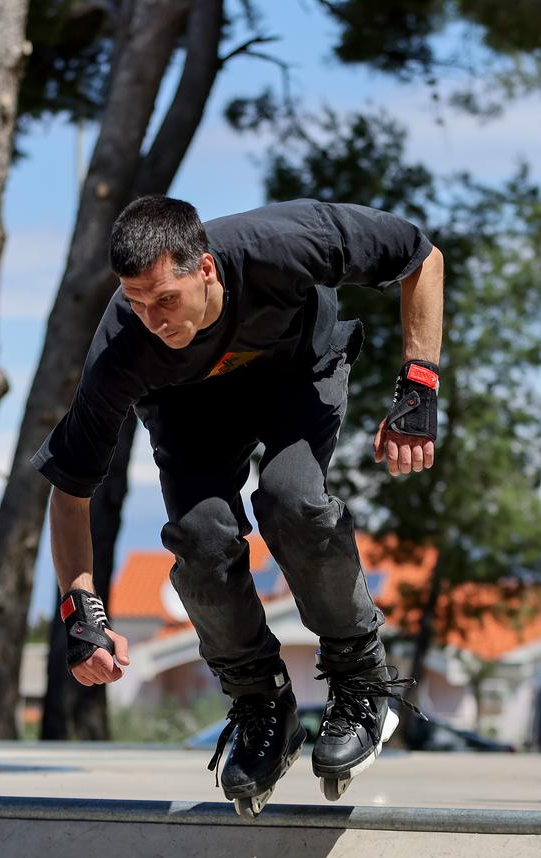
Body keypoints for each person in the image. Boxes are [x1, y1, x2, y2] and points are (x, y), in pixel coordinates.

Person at [35, 195, 443, 816]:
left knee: (293, 502)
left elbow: (421, 256)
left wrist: (419, 383)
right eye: (136, 301)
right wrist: (80, 610)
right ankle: (261, 706)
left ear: (205, 269)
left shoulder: (286, 242)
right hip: (189, 409)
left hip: (297, 374)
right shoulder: (123, 346)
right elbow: (70, 490)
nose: (152, 319)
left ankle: (361, 680)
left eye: (165, 299)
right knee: (199, 545)